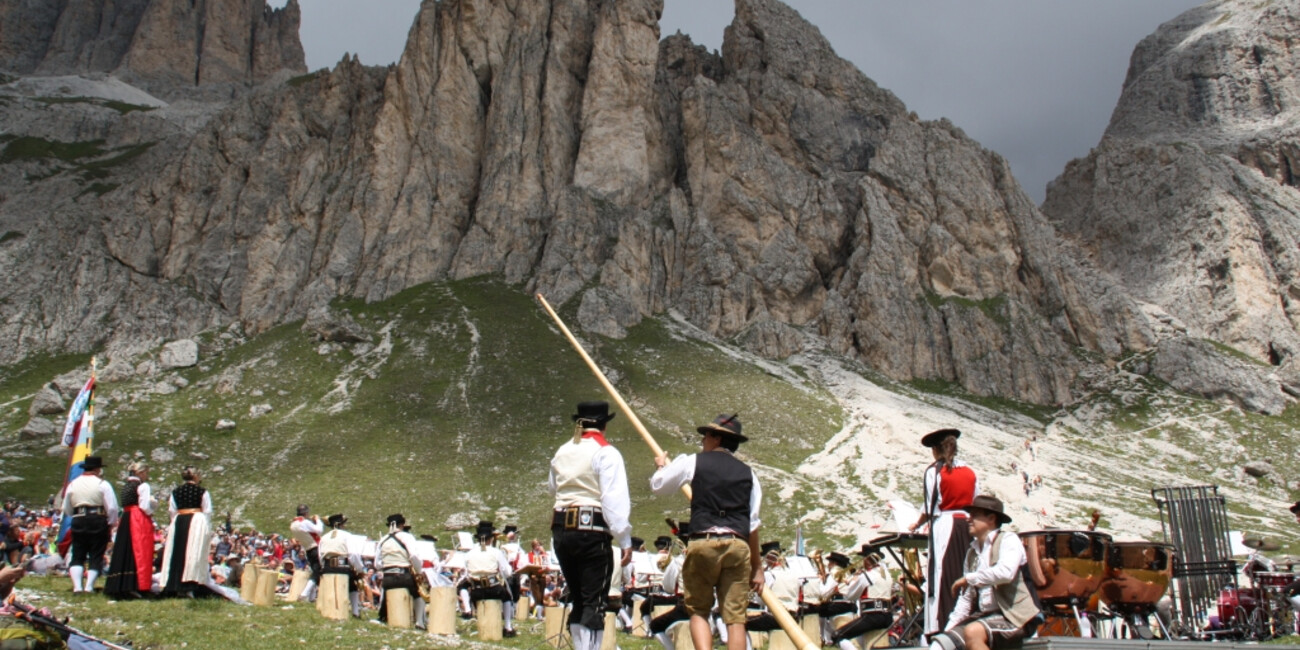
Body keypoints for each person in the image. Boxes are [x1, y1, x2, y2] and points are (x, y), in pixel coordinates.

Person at [651, 413, 763, 650]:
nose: (702, 440)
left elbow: (659, 486)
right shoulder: (749, 474)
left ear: (716, 438)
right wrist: (758, 567)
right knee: (735, 618)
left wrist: (661, 466)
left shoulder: (694, 462)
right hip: (737, 545)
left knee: (699, 610)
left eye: (706, 436)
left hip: (703, 541)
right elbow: (752, 526)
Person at [549, 401, 633, 650]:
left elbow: (553, 487)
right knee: (594, 600)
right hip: (591, 529)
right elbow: (613, 499)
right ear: (604, 424)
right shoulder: (606, 452)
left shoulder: (562, 450)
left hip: (561, 527)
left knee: (577, 597)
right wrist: (624, 538)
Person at [935, 495, 1041, 650]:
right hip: (985, 618)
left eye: (974, 515)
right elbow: (965, 599)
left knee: (973, 632)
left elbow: (1005, 573)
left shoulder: (1008, 540)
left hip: (1015, 617)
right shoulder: (972, 552)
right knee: (940, 645)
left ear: (991, 518)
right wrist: (948, 632)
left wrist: (970, 578)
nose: (968, 519)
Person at [909, 428, 978, 637]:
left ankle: (939, 626)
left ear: (936, 450)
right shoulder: (970, 471)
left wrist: (916, 524)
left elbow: (931, 506)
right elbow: (976, 499)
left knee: (940, 574)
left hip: (946, 524)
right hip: (968, 523)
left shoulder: (934, 471)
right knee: (967, 569)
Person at [60, 456, 119, 594]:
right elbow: (112, 508)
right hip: (98, 519)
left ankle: (77, 587)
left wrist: (74, 514)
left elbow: (66, 507)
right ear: (97, 469)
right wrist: (111, 522)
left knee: (78, 553)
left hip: (78, 518)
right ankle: (89, 587)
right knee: (96, 553)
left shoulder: (73, 484)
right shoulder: (103, 484)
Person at [158, 466, 213, 597]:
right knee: (193, 552)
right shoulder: (202, 491)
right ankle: (191, 584)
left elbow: (172, 510)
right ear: (195, 476)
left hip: (179, 521)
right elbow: (207, 510)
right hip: (196, 521)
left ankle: (175, 583)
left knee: (178, 552)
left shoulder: (176, 492)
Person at [104, 462, 157, 598]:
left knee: (125, 548)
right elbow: (144, 506)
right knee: (139, 550)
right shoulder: (143, 486)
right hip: (138, 518)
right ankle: (137, 584)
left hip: (126, 517)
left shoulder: (126, 486)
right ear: (140, 473)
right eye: (146, 472)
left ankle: (121, 583)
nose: (147, 475)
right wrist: (153, 508)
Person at [830, 549, 895, 650]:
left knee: (837, 635)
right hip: (887, 616)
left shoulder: (867, 575)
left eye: (864, 558)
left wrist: (853, 581)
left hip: (872, 617)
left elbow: (850, 596)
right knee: (859, 639)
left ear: (868, 560)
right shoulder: (887, 575)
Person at [465, 520, 518, 636]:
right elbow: (507, 572)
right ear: (492, 539)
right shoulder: (496, 552)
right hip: (493, 589)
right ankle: (508, 626)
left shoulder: (469, 553)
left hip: (476, 591)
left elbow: (466, 573)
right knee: (507, 597)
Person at [377, 513, 425, 628]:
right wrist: (418, 571)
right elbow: (414, 556)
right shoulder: (407, 537)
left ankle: (384, 618)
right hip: (404, 575)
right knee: (419, 595)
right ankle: (419, 622)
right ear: (402, 525)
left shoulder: (382, 540)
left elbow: (377, 563)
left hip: (387, 578)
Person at [318, 513, 364, 618]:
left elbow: (320, 555)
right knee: (353, 585)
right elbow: (354, 554)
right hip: (343, 566)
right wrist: (359, 569)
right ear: (340, 525)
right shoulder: (347, 536)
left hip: (327, 567)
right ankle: (355, 612)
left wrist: (323, 567)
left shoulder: (324, 537)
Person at [289, 504, 323, 602]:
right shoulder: (304, 522)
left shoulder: (293, 524)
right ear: (306, 513)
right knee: (317, 572)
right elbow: (319, 530)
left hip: (307, 548)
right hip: (315, 547)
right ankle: (305, 594)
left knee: (314, 571)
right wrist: (318, 520)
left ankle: (312, 597)